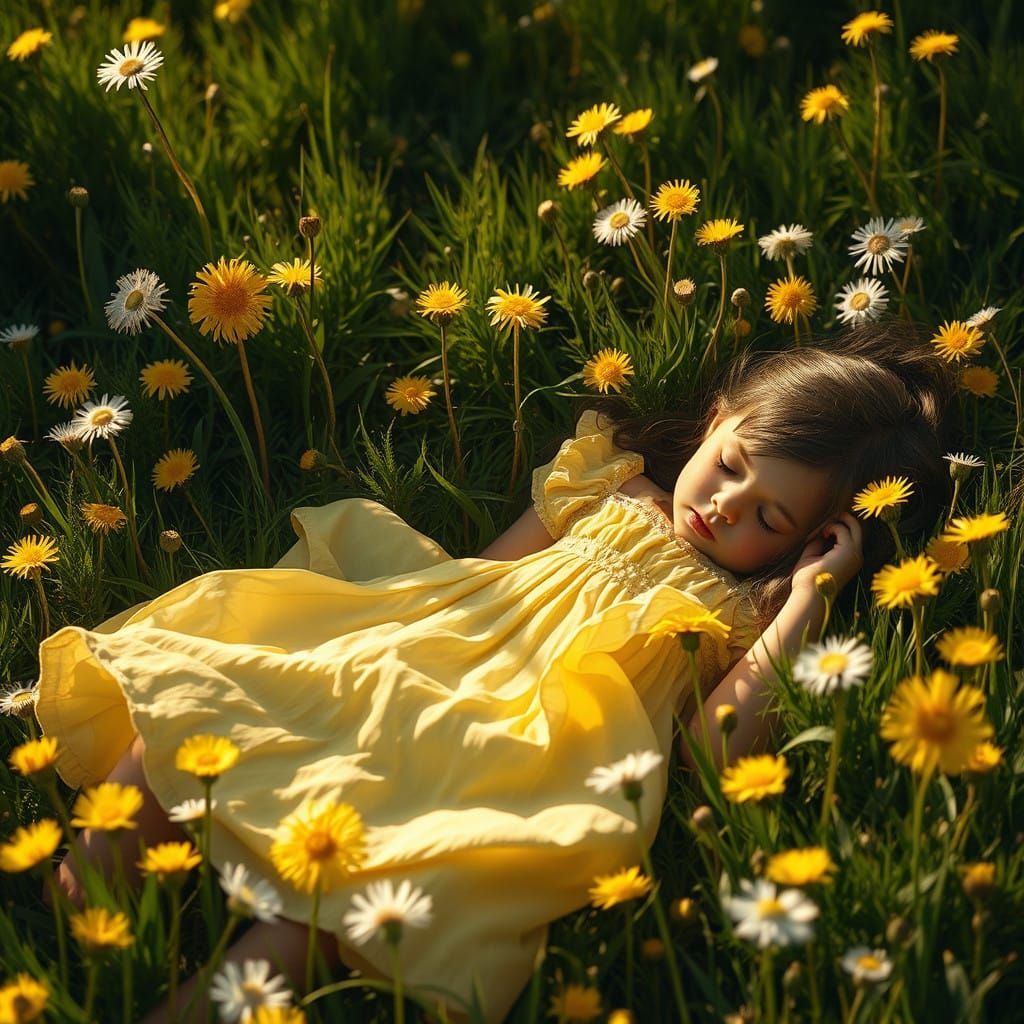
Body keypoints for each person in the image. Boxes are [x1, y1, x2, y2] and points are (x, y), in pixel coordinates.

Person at [36, 321, 956, 1022]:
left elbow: (714, 757)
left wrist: (804, 605)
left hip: (518, 758)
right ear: (716, 421)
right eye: (729, 467)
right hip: (436, 652)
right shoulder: (611, 485)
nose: (722, 508)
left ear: (809, 542)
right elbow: (484, 576)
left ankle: (197, 997)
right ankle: (93, 890)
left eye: (771, 518)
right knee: (225, 689)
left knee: (377, 892)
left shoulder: (742, 615)